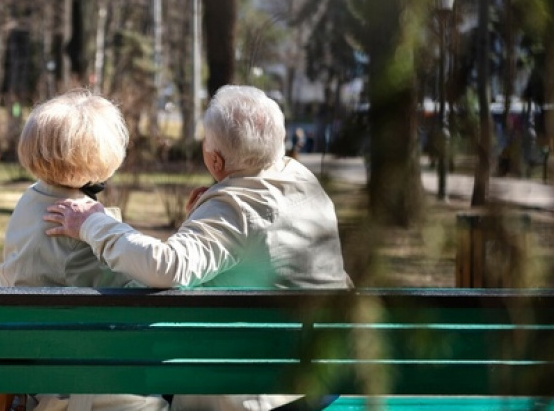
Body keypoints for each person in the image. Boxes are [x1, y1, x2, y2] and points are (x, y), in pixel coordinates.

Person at [44, 85, 352, 411]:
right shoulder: (301, 179)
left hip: (264, 390)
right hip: (325, 370)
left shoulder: (234, 208)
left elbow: (167, 268)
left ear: (215, 159)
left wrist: (93, 224)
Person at [0, 90, 167, 411]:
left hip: (33, 366)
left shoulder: (30, 201)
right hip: (75, 382)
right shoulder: (79, 224)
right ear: (101, 155)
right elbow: (139, 293)